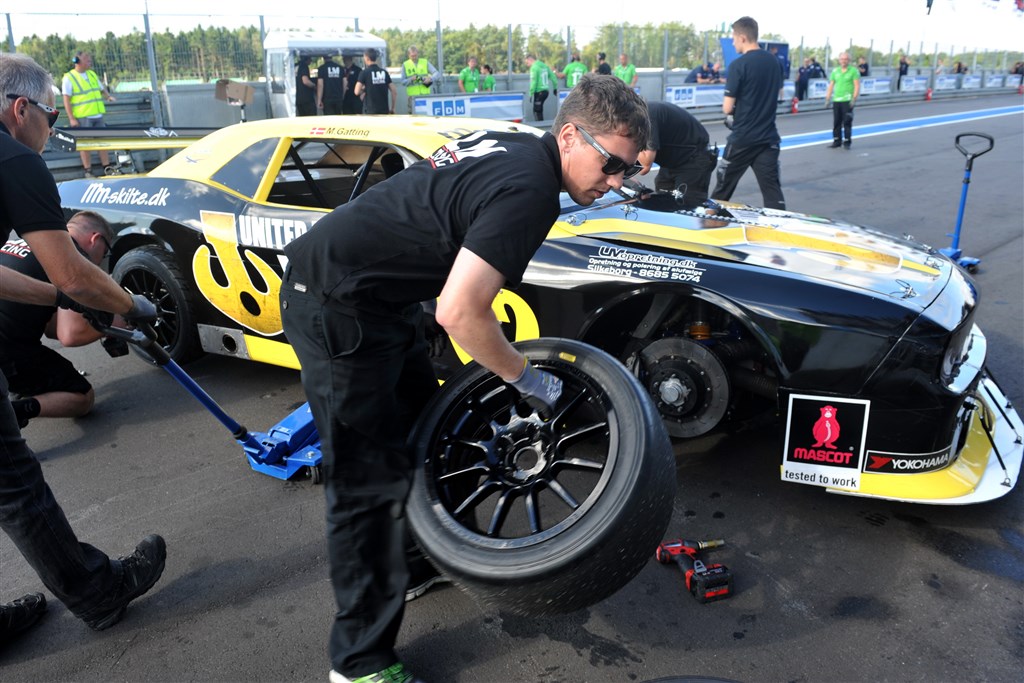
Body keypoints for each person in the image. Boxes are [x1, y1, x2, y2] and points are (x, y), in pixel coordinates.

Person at [279, 72, 648, 683]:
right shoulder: (531, 188)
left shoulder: (518, 146)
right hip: (333, 304)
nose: (614, 182)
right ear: (569, 136)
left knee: (425, 437)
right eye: (611, 165)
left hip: (375, 299)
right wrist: (528, 379)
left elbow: (426, 210)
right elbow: (460, 312)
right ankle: (358, 663)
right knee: (365, 485)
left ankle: (414, 560)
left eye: (627, 171)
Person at [0, 52, 164, 642]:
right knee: (14, 482)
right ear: (20, 109)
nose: (52, 128)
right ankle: (98, 592)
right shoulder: (14, 159)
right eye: (50, 114)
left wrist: (60, 297)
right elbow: (72, 273)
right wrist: (127, 303)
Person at [0, 210, 117, 428]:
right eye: (105, 252)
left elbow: (51, 329)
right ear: (96, 239)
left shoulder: (27, 242)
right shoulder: (73, 256)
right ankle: (12, 413)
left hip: (9, 341)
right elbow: (70, 335)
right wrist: (114, 323)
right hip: (8, 351)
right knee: (83, 397)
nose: (101, 261)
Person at [710, 16, 786, 210]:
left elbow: (727, 108)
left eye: (734, 38)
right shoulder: (774, 62)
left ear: (742, 37)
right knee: (772, 192)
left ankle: (707, 227)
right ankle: (779, 231)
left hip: (743, 138)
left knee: (722, 190)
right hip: (768, 138)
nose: (733, 42)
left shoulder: (738, 65)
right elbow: (779, 94)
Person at [636, 100, 716, 207]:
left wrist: (630, 142)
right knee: (663, 201)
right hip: (672, 160)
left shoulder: (646, 115)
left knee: (687, 207)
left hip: (693, 159)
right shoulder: (640, 111)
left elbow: (645, 166)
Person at [61, 51, 116, 178]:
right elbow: (66, 99)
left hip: (97, 114)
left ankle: (106, 167)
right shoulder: (69, 77)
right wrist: (72, 118)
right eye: (86, 58)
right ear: (77, 61)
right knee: (84, 144)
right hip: (83, 116)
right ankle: (88, 170)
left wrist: (108, 97)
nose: (89, 60)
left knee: (102, 142)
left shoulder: (92, 74)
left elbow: (101, 89)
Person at [824, 51, 860, 149]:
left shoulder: (853, 71)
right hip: (837, 100)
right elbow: (831, 85)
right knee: (836, 121)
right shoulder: (835, 71)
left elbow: (857, 85)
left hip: (847, 100)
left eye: (845, 59)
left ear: (849, 60)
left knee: (847, 121)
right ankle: (837, 140)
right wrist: (827, 98)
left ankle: (847, 141)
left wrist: (854, 99)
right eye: (842, 59)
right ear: (839, 60)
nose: (843, 61)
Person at [355, 48, 396, 115]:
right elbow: (394, 91)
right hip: (384, 110)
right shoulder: (384, 72)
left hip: (370, 111)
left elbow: (356, 91)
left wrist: (364, 90)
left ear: (367, 58)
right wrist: (393, 108)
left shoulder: (364, 73)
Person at [401, 46, 439, 115]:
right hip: (412, 97)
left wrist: (430, 79)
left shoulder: (425, 62)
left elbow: (436, 73)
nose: (414, 57)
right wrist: (411, 79)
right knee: (412, 117)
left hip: (425, 96)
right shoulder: (405, 65)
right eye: (412, 56)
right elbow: (403, 82)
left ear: (418, 54)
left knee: (427, 115)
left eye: (415, 55)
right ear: (409, 55)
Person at [525, 54, 556, 121]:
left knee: (536, 111)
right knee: (539, 109)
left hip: (539, 92)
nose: (527, 65)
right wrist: (555, 88)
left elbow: (534, 81)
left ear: (530, 59)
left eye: (527, 62)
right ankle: (541, 122)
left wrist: (531, 93)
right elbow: (553, 77)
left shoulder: (534, 67)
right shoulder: (544, 66)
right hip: (546, 91)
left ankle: (540, 126)